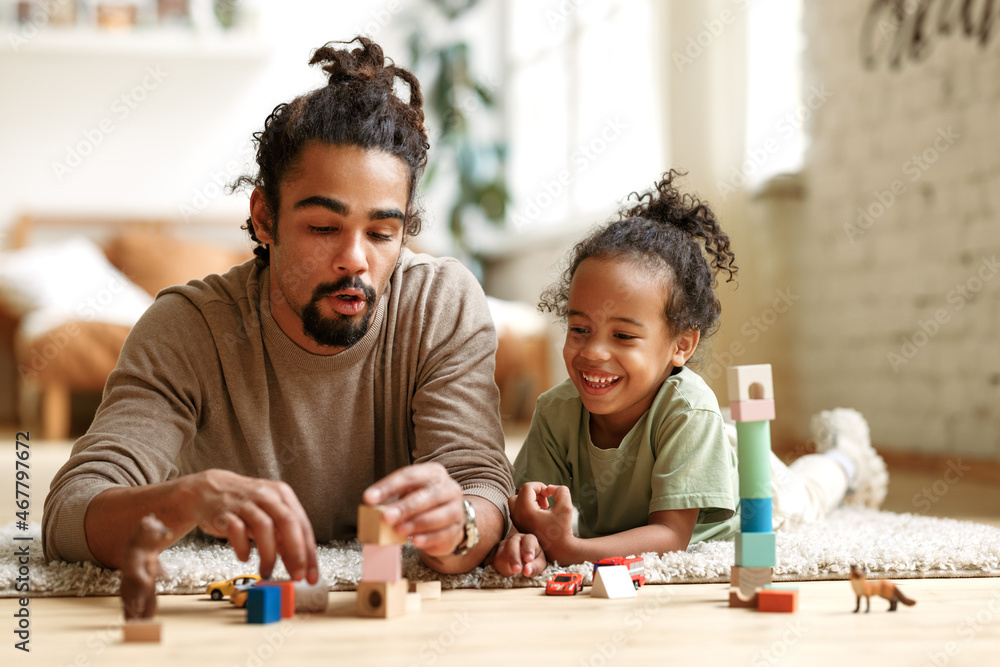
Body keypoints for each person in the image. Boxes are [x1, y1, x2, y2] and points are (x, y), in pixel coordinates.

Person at [42, 37, 514, 580]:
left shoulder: (441, 305)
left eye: (382, 233)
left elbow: (482, 488)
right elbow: (70, 514)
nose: (354, 260)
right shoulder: (188, 327)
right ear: (265, 219)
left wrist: (460, 525)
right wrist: (185, 500)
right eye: (322, 228)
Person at [493, 171, 887, 577]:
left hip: (752, 484)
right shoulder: (555, 411)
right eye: (579, 329)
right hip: (698, 435)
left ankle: (847, 456)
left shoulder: (687, 411)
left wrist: (572, 548)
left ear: (681, 345)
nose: (593, 351)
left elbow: (669, 537)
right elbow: (530, 511)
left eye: (623, 335)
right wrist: (526, 539)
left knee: (808, 494)